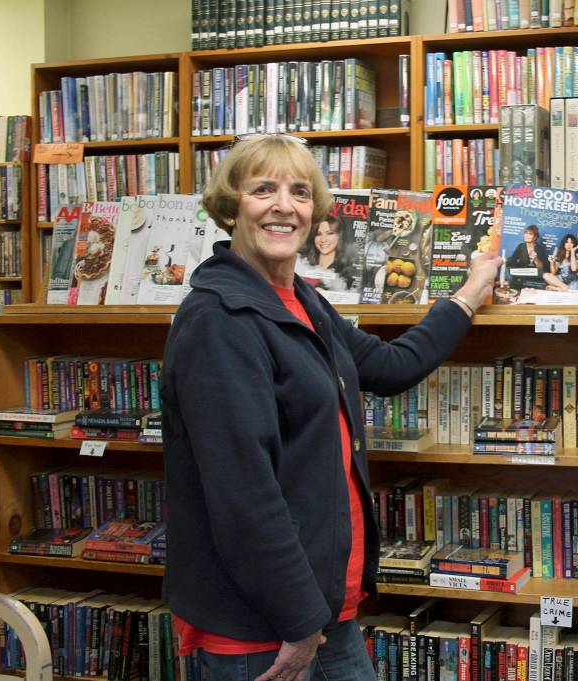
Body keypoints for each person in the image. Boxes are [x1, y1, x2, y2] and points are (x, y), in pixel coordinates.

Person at [161, 134, 501, 681]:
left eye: (299, 192)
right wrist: (299, 624)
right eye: (262, 189)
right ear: (231, 205)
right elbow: (243, 494)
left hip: (318, 609)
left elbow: (389, 367)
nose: (283, 206)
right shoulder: (219, 321)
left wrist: (468, 295)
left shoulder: (301, 300)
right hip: (261, 626)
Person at [297, 218, 357, 292]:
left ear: (340, 236)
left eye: (330, 233)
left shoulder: (348, 272)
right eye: (319, 234)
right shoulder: (300, 262)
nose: (323, 240)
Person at [506, 224, 550, 290]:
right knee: (512, 286)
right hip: (521, 275)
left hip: (534, 278)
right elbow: (513, 260)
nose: (527, 236)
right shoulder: (521, 246)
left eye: (530, 234)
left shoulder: (539, 248)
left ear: (535, 237)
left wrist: (536, 259)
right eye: (526, 233)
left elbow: (542, 268)